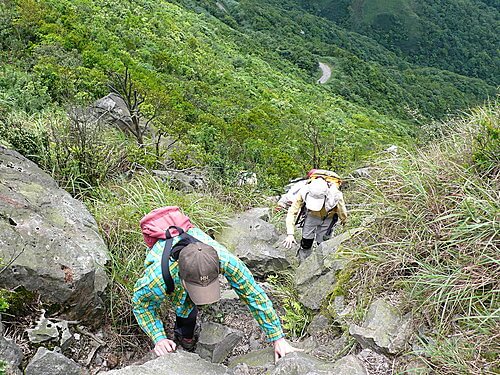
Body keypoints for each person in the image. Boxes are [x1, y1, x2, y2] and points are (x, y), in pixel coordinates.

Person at [132, 220, 301, 362]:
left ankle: (186, 335)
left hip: (194, 253)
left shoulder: (226, 261)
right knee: (184, 305)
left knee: (190, 308)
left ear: (218, 270)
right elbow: (141, 305)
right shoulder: (158, 278)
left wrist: (277, 337)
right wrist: (159, 337)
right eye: (197, 289)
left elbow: (254, 295)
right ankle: (184, 333)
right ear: (181, 279)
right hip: (169, 266)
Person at [282, 176, 348, 261]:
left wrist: (344, 220)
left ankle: (323, 263)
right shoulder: (303, 192)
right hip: (311, 215)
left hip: (328, 217)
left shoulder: (335, 195)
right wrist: (290, 234)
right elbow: (292, 212)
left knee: (323, 243)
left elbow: (342, 210)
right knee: (306, 241)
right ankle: (303, 263)